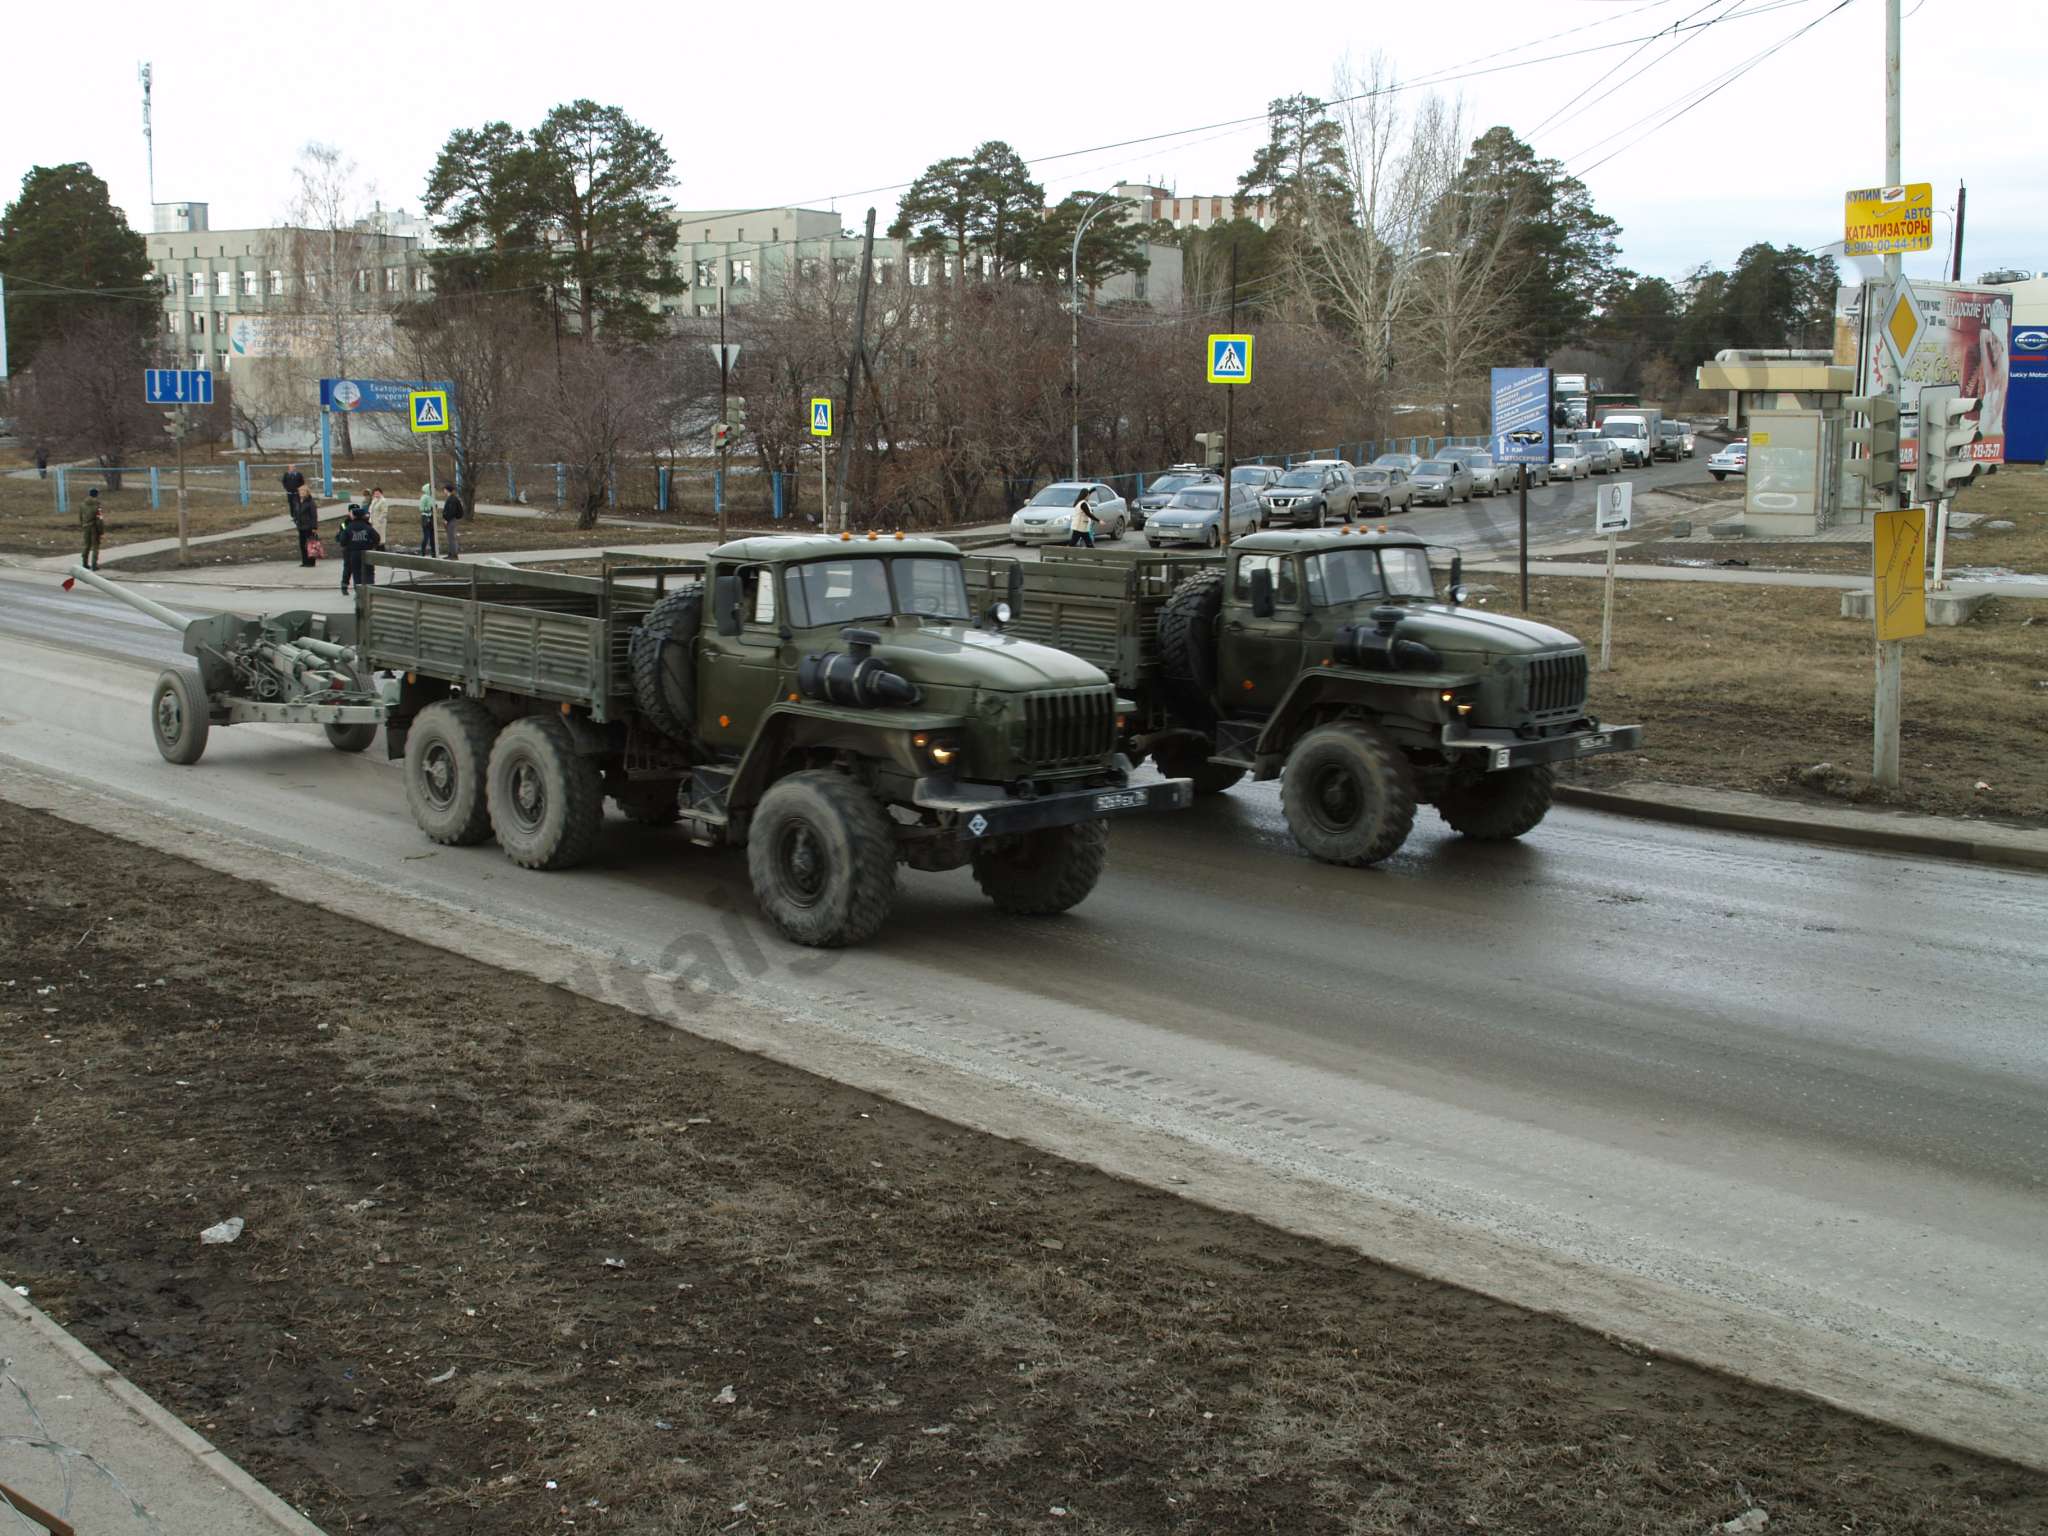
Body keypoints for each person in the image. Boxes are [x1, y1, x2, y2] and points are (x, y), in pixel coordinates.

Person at [336, 501, 382, 596]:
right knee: (369, 572)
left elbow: (342, 540)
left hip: (353, 553)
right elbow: (377, 537)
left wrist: (348, 545)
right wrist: (372, 545)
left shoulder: (349, 527)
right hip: (367, 552)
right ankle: (370, 592)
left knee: (356, 573)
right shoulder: (367, 526)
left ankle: (359, 593)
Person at [291, 489, 320, 566]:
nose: (301, 493)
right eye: (300, 492)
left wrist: (314, 527)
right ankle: (304, 562)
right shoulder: (298, 502)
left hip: (309, 527)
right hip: (301, 527)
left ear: (307, 493)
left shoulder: (310, 502)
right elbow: (296, 512)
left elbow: (314, 515)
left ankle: (311, 562)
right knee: (302, 545)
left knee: (310, 545)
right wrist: (296, 520)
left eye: (303, 492)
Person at [79, 488, 105, 570]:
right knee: (95, 547)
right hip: (94, 528)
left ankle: (84, 563)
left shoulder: (82, 504)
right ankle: (94, 565)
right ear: (97, 495)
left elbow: (80, 517)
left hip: (85, 527)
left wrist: (83, 525)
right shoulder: (97, 506)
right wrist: (101, 531)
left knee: (86, 545)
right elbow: (99, 519)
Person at [440, 481, 464, 559]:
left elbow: (451, 511)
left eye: (444, 489)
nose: (444, 491)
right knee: (450, 537)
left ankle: (453, 554)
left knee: (451, 537)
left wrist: (446, 519)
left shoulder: (452, 499)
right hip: (450, 520)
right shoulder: (451, 498)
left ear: (447, 490)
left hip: (451, 521)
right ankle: (451, 553)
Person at [416, 482, 437, 556]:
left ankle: (434, 552)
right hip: (425, 517)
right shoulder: (424, 497)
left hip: (431, 517)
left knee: (433, 536)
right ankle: (423, 551)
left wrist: (435, 507)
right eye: (432, 488)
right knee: (426, 536)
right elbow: (421, 508)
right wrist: (429, 508)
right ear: (428, 489)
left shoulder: (432, 497)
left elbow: (434, 506)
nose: (434, 489)